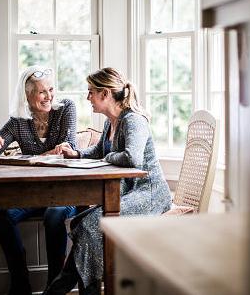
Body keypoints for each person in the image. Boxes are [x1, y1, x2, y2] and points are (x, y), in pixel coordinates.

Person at [43, 67, 172, 295]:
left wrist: (106, 156)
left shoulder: (134, 120)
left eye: (91, 91)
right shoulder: (110, 122)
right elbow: (98, 150)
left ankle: (60, 289)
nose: (87, 97)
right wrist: (77, 154)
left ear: (105, 94)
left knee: (91, 225)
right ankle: (79, 289)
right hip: (127, 192)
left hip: (148, 195)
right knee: (80, 224)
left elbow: (133, 158)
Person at [0, 65, 79, 295]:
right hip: (33, 194)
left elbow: (68, 148)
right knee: (2, 214)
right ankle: (20, 283)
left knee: (55, 214)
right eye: (42, 92)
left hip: (66, 190)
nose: (49, 96)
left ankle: (55, 286)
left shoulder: (66, 109)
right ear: (27, 95)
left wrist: (35, 157)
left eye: (51, 89)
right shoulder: (18, 121)